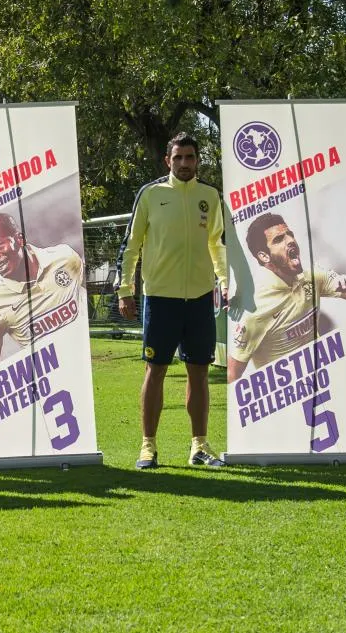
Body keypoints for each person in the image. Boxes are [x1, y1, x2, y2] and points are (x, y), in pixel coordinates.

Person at [115, 133, 227, 469]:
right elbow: (131, 245)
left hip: (200, 299)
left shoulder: (210, 196)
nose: (184, 163)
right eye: (178, 157)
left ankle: (199, 446)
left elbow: (217, 244)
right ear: (168, 160)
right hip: (160, 299)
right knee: (156, 370)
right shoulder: (151, 194)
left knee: (199, 372)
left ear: (198, 160)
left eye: (189, 157)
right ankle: (148, 447)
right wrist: (125, 289)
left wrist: (225, 282)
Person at [227, 212, 346, 382]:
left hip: (320, 384)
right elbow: (232, 375)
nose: (290, 240)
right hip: (285, 394)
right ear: (264, 256)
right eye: (279, 239)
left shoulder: (312, 278)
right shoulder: (255, 308)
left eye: (290, 234)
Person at [0, 212, 85, 375]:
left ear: (20, 239)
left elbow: (83, 290)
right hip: (50, 380)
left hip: (84, 368)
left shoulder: (65, 257)